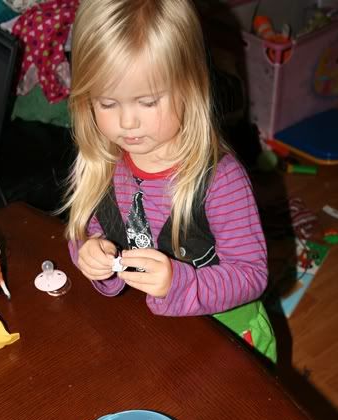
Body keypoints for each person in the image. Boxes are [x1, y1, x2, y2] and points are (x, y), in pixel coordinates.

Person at [63, 0, 276, 362]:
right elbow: (86, 231)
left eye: (147, 102)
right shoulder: (103, 163)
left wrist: (179, 284)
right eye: (107, 103)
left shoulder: (221, 180)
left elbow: (251, 275)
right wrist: (90, 254)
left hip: (226, 341)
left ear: (190, 88)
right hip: (156, 340)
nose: (127, 122)